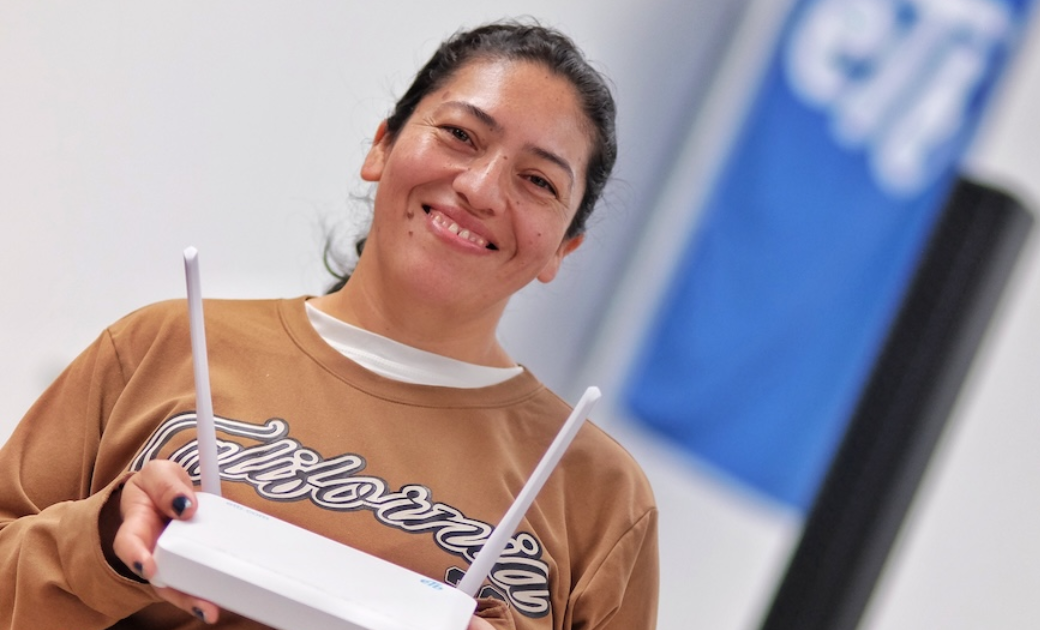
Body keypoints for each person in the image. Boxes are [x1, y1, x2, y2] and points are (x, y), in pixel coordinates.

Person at [0, 21, 658, 630]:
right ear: (381, 146)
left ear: (562, 251)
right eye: (461, 135)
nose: (482, 189)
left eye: (538, 180)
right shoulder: (157, 347)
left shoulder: (599, 496)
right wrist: (103, 543)